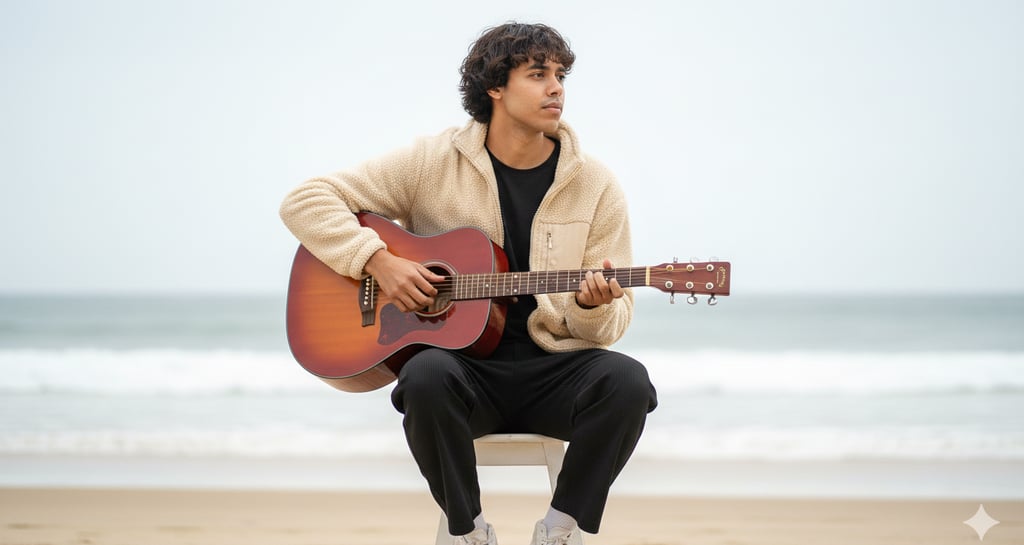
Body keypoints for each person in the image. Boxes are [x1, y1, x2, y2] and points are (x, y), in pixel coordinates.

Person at [280, 22, 658, 545]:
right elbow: (306, 200)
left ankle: (561, 527)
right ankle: (469, 530)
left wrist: (592, 306)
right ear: (494, 88)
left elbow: (607, 330)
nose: (556, 89)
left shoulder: (596, 186)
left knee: (628, 382)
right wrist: (377, 261)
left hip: (554, 369)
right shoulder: (432, 162)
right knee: (424, 375)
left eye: (561, 76)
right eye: (538, 74)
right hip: (465, 372)